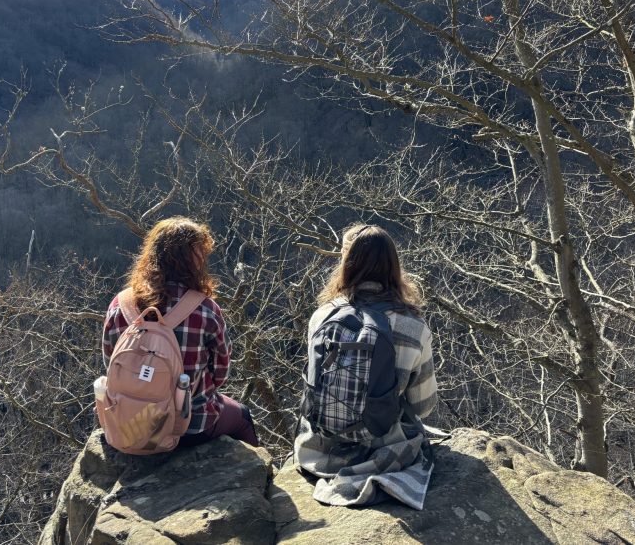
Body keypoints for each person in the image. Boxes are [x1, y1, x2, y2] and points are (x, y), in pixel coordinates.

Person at [294, 224, 438, 509]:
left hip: (320, 448)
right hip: (386, 449)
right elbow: (423, 406)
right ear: (393, 266)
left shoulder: (322, 316)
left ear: (346, 265)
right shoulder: (413, 326)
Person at [102, 217, 259, 447]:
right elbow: (220, 374)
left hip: (130, 424)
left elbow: (110, 364)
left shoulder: (120, 305)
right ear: (194, 262)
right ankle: (259, 478)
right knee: (243, 417)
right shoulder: (205, 310)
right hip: (191, 426)